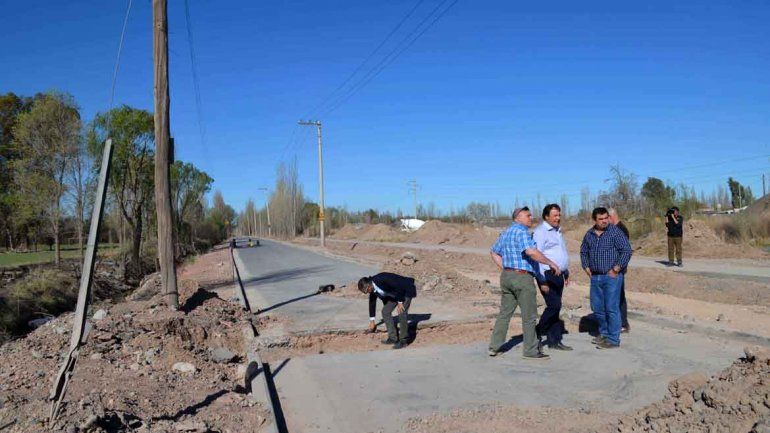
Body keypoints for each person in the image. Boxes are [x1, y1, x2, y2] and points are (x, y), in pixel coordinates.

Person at [488, 206, 562, 360]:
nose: (531, 218)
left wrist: (506, 268)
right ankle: (530, 350)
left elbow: (494, 252)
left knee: (504, 314)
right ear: (518, 217)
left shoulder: (507, 232)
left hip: (507, 276)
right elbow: (531, 251)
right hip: (522, 278)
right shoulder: (521, 231)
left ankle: (494, 346)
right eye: (528, 215)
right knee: (529, 316)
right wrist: (550, 263)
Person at [580, 207, 633, 349]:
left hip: (612, 277)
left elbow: (627, 250)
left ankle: (613, 339)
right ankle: (604, 333)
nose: (604, 221)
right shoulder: (589, 234)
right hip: (595, 277)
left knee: (611, 308)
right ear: (594, 220)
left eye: (606, 218)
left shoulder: (615, 232)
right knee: (597, 308)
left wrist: (616, 269)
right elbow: (583, 251)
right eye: (600, 219)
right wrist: (586, 267)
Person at [533, 204, 571, 351]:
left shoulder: (557, 231)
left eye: (559, 215)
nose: (558, 218)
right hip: (547, 275)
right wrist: (542, 280)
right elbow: (537, 257)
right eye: (555, 215)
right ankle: (536, 331)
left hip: (559, 274)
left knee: (556, 308)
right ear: (546, 217)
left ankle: (554, 341)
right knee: (554, 306)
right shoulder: (540, 232)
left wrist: (565, 271)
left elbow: (560, 253)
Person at [358, 272, 417, 349]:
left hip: (405, 290)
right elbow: (372, 303)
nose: (366, 293)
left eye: (365, 291)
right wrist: (372, 321)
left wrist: (400, 302)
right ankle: (393, 338)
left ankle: (404, 340)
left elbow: (398, 286)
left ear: (369, 286)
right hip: (395, 294)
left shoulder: (381, 279)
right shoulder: (372, 288)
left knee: (401, 312)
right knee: (385, 311)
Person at [607, 208, 631, 333]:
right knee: (615, 296)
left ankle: (623, 324)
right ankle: (619, 323)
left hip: (618, 270)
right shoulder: (614, 229)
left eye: (607, 218)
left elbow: (624, 252)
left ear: (612, 217)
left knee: (619, 297)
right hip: (613, 269)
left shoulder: (621, 230)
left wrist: (617, 267)